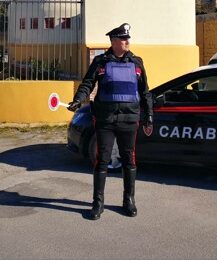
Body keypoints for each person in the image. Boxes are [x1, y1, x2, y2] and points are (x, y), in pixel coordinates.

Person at [68, 23, 153, 219]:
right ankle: (98, 203)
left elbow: (145, 92)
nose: (127, 42)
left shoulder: (137, 62)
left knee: (129, 159)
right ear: (114, 42)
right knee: (102, 160)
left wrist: (149, 115)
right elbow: (87, 84)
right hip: (105, 119)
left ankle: (128, 201)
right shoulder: (100, 62)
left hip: (129, 119)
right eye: (124, 39)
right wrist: (78, 100)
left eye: (128, 39)